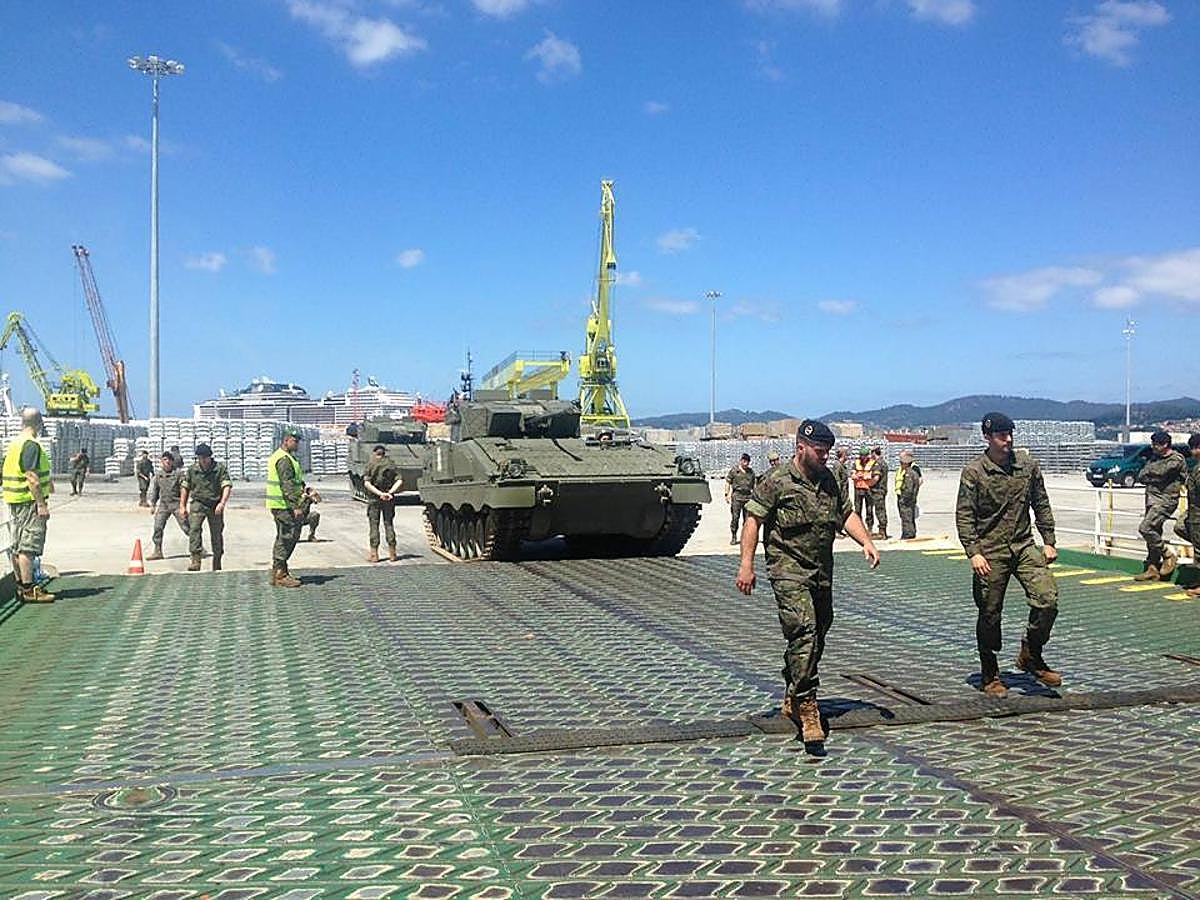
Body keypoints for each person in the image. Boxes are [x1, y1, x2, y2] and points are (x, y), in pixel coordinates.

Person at [736, 419, 880, 743]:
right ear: (800, 447)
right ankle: (808, 705)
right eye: (819, 451)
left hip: (821, 570)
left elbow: (846, 513)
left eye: (828, 451)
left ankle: (792, 691)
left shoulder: (833, 478)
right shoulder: (776, 480)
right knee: (805, 629)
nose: (824, 456)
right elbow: (753, 521)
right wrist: (746, 566)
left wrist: (867, 542)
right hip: (787, 568)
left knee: (818, 633)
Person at [956, 412, 1059, 698]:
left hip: (1023, 545)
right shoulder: (974, 472)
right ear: (987, 437)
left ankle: (1031, 653)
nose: (1008, 440)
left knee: (1047, 599)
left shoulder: (1027, 466)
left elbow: (1041, 503)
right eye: (1002, 435)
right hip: (990, 550)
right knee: (990, 613)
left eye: (1011, 434)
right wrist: (973, 552)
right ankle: (990, 673)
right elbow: (965, 516)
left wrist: (1049, 540)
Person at [3, 407, 55, 602]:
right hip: (28, 502)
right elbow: (31, 477)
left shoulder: (14, 444)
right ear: (39, 423)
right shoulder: (31, 444)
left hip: (14, 501)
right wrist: (41, 503)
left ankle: (20, 586)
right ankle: (29, 589)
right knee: (28, 546)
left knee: (17, 546)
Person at [1133, 431, 1187, 582]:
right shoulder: (1154, 458)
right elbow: (1142, 476)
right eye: (1153, 444)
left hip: (1165, 500)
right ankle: (1152, 567)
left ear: (1165, 444)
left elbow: (1161, 472)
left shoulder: (1176, 459)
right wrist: (1150, 474)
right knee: (1153, 532)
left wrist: (1151, 474)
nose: (1153, 447)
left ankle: (1168, 554)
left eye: (1156, 444)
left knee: (1146, 528)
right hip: (1151, 498)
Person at [180, 443, 231, 572]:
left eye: (205, 458)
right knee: (194, 530)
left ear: (210, 457)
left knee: (217, 533)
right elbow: (185, 487)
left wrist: (222, 503)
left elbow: (226, 486)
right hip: (198, 503)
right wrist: (182, 506)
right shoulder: (193, 470)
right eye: (200, 458)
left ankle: (217, 562)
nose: (202, 460)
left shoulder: (219, 469)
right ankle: (195, 560)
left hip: (215, 504)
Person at [266, 426, 306, 587]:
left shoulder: (288, 457)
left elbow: (295, 481)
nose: (297, 444)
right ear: (286, 440)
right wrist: (295, 506)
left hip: (282, 504)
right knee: (287, 537)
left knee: (285, 537)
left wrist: (305, 489)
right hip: (283, 506)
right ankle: (279, 574)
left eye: (298, 442)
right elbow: (287, 485)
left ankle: (281, 571)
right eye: (294, 441)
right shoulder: (283, 459)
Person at [363, 444, 402, 562]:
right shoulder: (391, 464)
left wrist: (379, 494)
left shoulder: (371, 463)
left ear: (375, 452)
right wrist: (389, 492)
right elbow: (399, 480)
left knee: (374, 525)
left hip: (375, 498)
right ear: (384, 452)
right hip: (389, 498)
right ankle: (392, 554)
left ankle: (374, 555)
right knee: (389, 523)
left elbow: (366, 483)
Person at [146, 451, 188, 560]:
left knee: (186, 527)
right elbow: (155, 490)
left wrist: (183, 505)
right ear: (161, 461)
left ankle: (198, 547)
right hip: (164, 505)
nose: (167, 462)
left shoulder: (178, 474)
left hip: (176, 504)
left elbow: (184, 489)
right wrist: (153, 505)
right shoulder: (159, 475)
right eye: (165, 459)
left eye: (169, 460)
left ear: (172, 462)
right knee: (157, 527)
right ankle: (157, 551)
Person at [1175, 433, 1200, 598]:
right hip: (1193, 514)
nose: (1193, 451)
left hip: (1198, 515)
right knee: (1181, 527)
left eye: (1196, 447)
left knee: (1199, 550)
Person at [725, 453, 757, 545]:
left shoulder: (751, 472)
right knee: (735, 518)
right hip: (737, 497)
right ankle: (734, 536)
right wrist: (727, 494)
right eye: (744, 461)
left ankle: (745, 537)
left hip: (748, 497)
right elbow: (728, 482)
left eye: (747, 462)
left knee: (747, 520)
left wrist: (755, 497)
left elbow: (754, 485)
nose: (746, 463)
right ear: (741, 460)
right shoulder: (734, 471)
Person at [851, 446, 879, 531]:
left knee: (869, 509)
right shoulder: (856, 463)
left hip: (868, 489)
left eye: (864, 456)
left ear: (867, 456)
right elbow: (852, 474)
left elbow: (875, 476)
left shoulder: (873, 463)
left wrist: (864, 476)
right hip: (858, 489)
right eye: (861, 456)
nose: (863, 458)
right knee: (857, 509)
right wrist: (856, 476)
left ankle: (869, 527)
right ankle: (859, 527)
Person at [896, 450, 922, 539]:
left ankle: (908, 535)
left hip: (907, 500)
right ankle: (911, 533)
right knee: (909, 517)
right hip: (910, 499)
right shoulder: (913, 473)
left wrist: (903, 499)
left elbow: (909, 489)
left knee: (906, 517)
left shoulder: (908, 473)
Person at [870, 446, 890, 540]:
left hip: (878, 490)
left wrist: (869, 484)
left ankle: (882, 532)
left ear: (874, 453)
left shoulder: (878, 464)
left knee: (880, 511)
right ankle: (882, 531)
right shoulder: (884, 463)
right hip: (882, 490)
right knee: (881, 510)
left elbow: (876, 478)